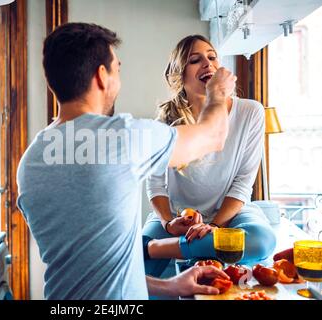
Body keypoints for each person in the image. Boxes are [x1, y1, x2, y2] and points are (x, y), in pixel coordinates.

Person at [17, 23, 235, 299]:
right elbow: (213, 136)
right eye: (117, 69)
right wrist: (218, 92)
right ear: (101, 76)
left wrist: (170, 285)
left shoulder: (30, 162)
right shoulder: (122, 136)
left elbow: (90, 270)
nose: (119, 79)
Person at [142, 35, 277, 278]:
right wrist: (168, 223)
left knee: (262, 240)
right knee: (134, 267)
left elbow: (242, 184)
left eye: (212, 57)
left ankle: (157, 249)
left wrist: (213, 227)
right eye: (195, 60)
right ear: (180, 74)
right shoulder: (164, 120)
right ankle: (183, 252)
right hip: (176, 217)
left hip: (230, 215)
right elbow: (155, 183)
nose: (208, 63)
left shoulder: (250, 112)